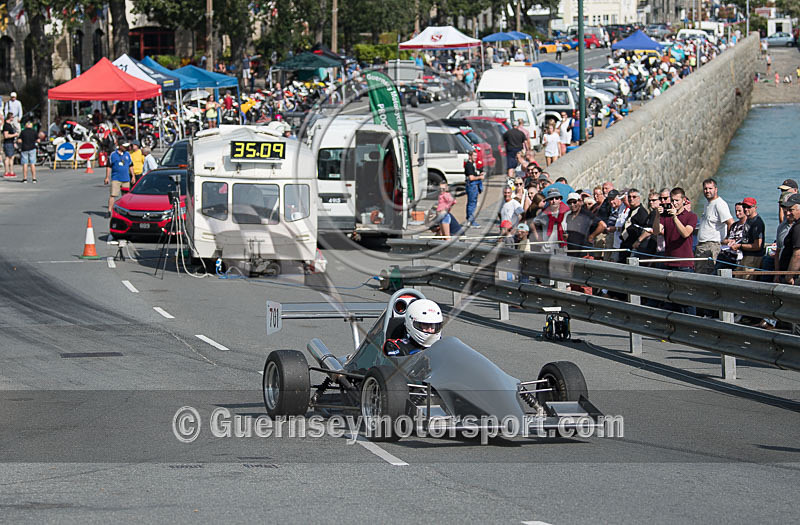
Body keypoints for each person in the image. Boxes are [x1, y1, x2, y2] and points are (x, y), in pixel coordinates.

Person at [656, 187, 698, 314]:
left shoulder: (691, 216)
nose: (674, 203)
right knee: (670, 301)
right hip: (669, 263)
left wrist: (675, 217)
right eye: (672, 200)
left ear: (683, 200)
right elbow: (656, 231)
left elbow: (685, 233)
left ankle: (691, 324)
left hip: (684, 264)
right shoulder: (666, 216)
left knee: (687, 301)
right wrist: (657, 215)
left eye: (677, 200)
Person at [693, 178, 734, 275]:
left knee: (707, 274)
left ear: (716, 189)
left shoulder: (719, 204)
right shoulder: (707, 204)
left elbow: (731, 222)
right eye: (705, 189)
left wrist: (728, 238)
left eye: (710, 188)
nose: (707, 191)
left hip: (711, 246)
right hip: (702, 246)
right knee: (699, 273)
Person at [734, 197, 765, 280]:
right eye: (744, 207)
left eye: (749, 207)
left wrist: (739, 246)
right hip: (745, 255)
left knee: (747, 280)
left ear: (755, 207)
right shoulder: (748, 220)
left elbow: (757, 246)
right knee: (737, 279)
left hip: (753, 257)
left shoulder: (757, 222)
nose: (746, 209)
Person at [104, 141, 133, 219]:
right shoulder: (113, 155)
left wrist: (133, 176)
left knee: (125, 196)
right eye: (124, 146)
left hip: (126, 178)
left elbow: (130, 165)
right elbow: (109, 166)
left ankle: (125, 211)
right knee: (113, 195)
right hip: (116, 178)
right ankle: (109, 211)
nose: (126, 148)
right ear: (120, 146)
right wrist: (107, 177)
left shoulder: (127, 154)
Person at [779, 194, 800, 285]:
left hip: (795, 278)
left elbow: (798, 255)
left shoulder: (798, 227)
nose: (787, 213)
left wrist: (789, 276)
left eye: (791, 210)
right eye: (787, 210)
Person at [464, 150, 484, 226]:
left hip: (474, 186)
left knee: (473, 203)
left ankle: (470, 220)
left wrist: (480, 173)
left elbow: (474, 174)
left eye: (476, 156)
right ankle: (471, 221)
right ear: (470, 156)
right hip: (471, 186)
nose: (475, 157)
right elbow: (471, 178)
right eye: (474, 156)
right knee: (472, 203)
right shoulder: (468, 165)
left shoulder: (473, 164)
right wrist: (480, 177)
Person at [3, 113, 18, 177]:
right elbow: (6, 135)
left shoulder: (9, 125)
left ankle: (10, 171)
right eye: (12, 117)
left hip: (10, 143)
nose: (13, 118)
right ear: (10, 117)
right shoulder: (6, 125)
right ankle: (7, 172)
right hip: (8, 143)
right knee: (9, 158)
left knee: (11, 157)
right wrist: (14, 135)